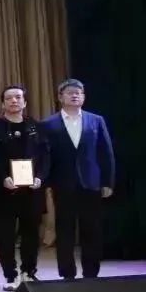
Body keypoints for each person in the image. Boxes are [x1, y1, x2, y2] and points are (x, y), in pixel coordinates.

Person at [41, 78, 115, 280]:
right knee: (64, 229)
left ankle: (91, 273)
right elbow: (45, 156)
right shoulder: (48, 124)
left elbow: (105, 153)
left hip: (91, 184)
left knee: (91, 230)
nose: (75, 95)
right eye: (70, 92)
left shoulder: (96, 120)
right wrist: (46, 182)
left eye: (78, 93)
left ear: (83, 97)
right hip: (62, 184)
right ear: (60, 97)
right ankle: (67, 273)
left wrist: (107, 182)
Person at [0, 86, 50, 290]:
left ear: (25, 102)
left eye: (18, 97)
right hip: (5, 190)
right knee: (5, 236)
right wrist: (3, 177)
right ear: (2, 103)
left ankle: (28, 272)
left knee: (31, 234)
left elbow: (45, 156)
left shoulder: (36, 126)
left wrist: (40, 177)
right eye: (9, 98)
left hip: (32, 190)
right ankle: (10, 275)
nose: (14, 101)